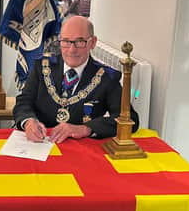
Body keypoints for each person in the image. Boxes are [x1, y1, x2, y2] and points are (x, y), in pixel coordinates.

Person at [13, 15, 139, 143]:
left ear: (93, 42)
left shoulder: (107, 77)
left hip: (81, 150)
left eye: (80, 42)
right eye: (66, 41)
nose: (72, 50)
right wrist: (28, 122)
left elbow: (130, 119)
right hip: (40, 143)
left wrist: (86, 128)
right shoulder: (42, 66)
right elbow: (24, 101)